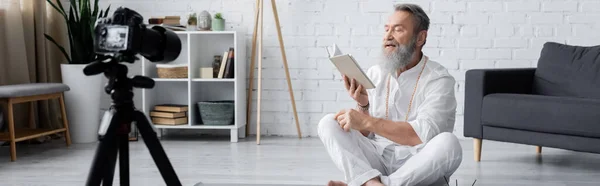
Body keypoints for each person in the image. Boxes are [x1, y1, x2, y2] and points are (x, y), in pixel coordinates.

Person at [318, 4, 462, 186]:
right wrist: (363, 105)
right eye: (386, 29)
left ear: (420, 38)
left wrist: (367, 121)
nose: (388, 36)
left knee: (449, 143)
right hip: (378, 158)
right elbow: (365, 134)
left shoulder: (439, 79)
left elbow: (420, 135)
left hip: (418, 164)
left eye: (398, 30)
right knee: (329, 123)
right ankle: (371, 182)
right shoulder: (376, 73)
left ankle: (369, 183)